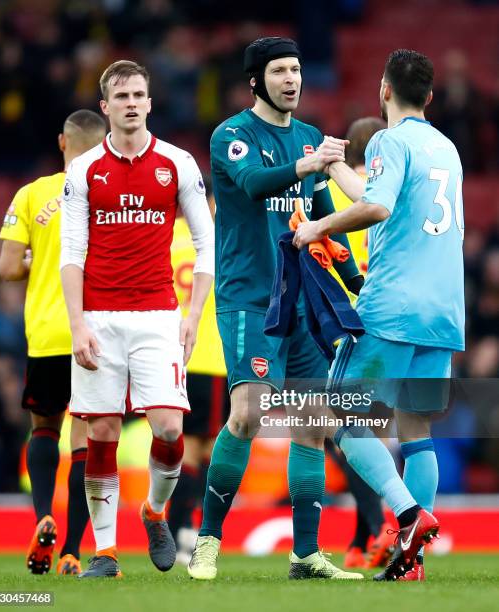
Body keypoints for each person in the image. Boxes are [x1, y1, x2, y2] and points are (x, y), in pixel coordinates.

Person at [188, 36, 366, 582]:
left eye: (297, 69)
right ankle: (208, 541)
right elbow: (253, 184)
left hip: (304, 301)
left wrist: (360, 285)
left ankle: (306, 554)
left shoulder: (311, 137)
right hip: (250, 298)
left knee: (312, 426)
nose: (292, 79)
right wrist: (310, 162)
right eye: (280, 71)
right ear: (255, 81)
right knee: (248, 413)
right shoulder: (233, 136)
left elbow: (324, 218)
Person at [294, 49, 464, 581]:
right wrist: (335, 164)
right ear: (430, 97)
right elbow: (377, 193)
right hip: (443, 310)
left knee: (342, 420)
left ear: (383, 90)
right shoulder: (446, 147)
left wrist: (318, 228)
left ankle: (410, 515)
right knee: (415, 428)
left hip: (393, 305)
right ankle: (410, 559)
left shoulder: (391, 140)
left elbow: (377, 208)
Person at [60, 60, 214, 578]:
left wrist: (192, 316)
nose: (131, 103)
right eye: (121, 96)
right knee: (101, 432)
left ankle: (154, 510)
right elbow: (71, 254)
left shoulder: (177, 163)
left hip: (157, 316)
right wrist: (77, 324)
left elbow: (205, 241)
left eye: (139, 95)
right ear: (105, 107)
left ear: (150, 102)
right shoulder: (84, 172)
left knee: (170, 427)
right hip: (99, 317)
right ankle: (105, 553)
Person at [0, 109, 107, 575]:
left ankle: (43, 513)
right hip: (97, 332)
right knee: (84, 440)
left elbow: (5, 269)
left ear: (63, 142)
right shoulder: (111, 192)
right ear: (105, 143)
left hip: (46, 331)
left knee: (43, 427)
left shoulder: (31, 194)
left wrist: (31, 260)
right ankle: (72, 552)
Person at [327, 116, 396, 570]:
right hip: (391, 323)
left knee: (341, 432)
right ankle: (364, 533)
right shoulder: (396, 190)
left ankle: (378, 529)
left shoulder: (335, 191)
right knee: (365, 432)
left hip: (341, 327)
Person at [167, 190, 230, 565]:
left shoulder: (167, 238)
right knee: (201, 451)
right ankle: (179, 533)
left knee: (193, 449)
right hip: (213, 358)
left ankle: (183, 529)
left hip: (176, 359)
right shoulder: (219, 241)